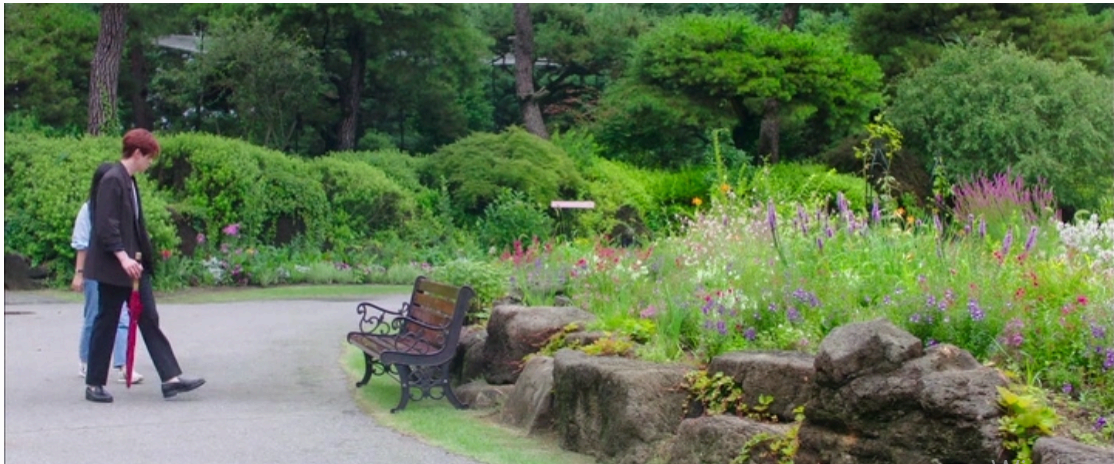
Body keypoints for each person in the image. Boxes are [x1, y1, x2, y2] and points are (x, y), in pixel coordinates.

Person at [84, 129, 205, 403]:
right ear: (137, 153)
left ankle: (170, 378)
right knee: (107, 320)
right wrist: (123, 257)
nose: (150, 164)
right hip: (116, 268)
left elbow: (131, 226)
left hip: (133, 267)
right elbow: (106, 225)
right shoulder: (113, 180)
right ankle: (94, 383)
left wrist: (138, 258)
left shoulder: (129, 181)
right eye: (149, 158)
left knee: (148, 316)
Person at [72, 162, 144, 384]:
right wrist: (79, 273)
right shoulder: (89, 209)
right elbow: (82, 244)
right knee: (94, 316)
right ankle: (86, 360)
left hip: (117, 269)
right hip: (95, 269)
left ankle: (123, 365)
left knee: (122, 317)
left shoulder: (120, 207)